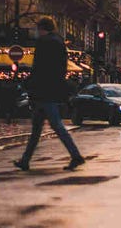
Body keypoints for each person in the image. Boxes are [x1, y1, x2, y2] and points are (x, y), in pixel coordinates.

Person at [14, 16, 84, 171]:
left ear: (42, 28)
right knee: (37, 128)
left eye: (38, 29)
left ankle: (76, 155)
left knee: (55, 125)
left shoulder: (44, 43)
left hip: (43, 91)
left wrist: (29, 83)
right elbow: (60, 68)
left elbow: (39, 67)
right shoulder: (59, 42)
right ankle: (25, 160)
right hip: (52, 89)